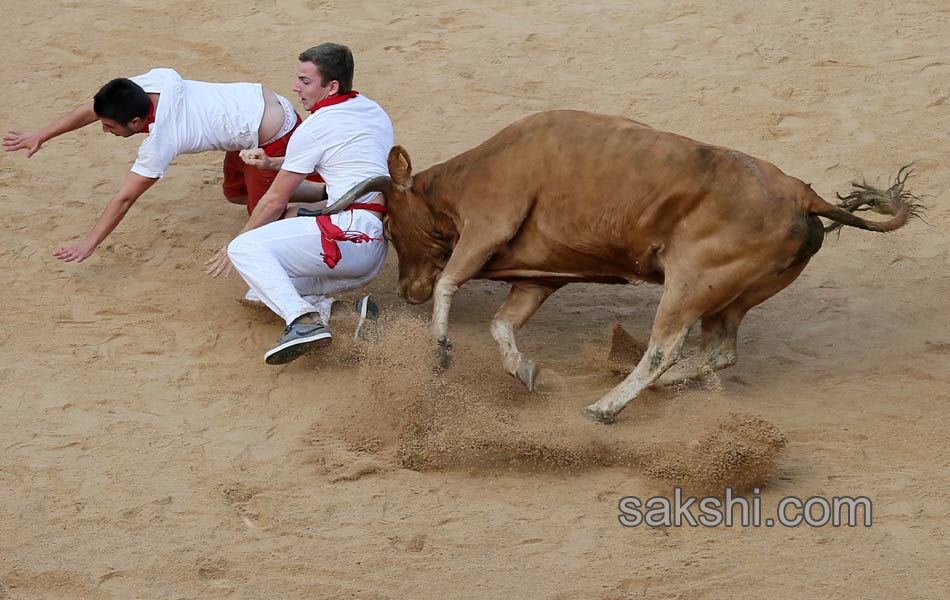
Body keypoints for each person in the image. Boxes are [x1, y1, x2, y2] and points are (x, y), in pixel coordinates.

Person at [3, 69, 322, 263]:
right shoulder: (148, 85)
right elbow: (91, 108)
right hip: (246, 122)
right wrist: (41, 135)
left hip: (271, 136)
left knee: (264, 216)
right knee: (235, 195)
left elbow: (125, 197)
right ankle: (323, 192)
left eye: (111, 127)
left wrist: (90, 242)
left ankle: (330, 206)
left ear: (136, 121)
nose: (104, 130)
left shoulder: (162, 140)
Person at [206, 43, 393, 365]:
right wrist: (274, 164)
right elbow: (330, 181)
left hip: (348, 236)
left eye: (305, 81)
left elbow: (276, 199)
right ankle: (347, 313)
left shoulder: (315, 127)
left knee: (245, 249)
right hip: (371, 246)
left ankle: (302, 323)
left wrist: (235, 244)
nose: (296, 87)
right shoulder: (370, 110)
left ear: (331, 86)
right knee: (262, 290)